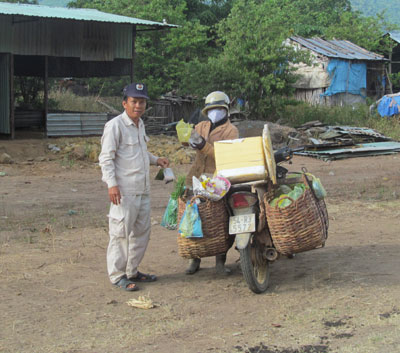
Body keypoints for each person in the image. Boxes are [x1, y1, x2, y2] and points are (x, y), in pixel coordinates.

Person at [99, 83, 169, 291]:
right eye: (134, 101)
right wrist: (111, 185)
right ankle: (117, 275)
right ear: (125, 103)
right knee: (120, 233)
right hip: (124, 191)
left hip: (143, 189)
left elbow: (139, 153)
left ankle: (132, 271)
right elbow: (106, 159)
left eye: (142, 102)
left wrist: (156, 160)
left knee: (141, 233)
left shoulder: (140, 125)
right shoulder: (115, 126)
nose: (138, 105)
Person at [185, 91, 239, 275]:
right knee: (194, 217)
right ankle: (195, 258)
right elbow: (189, 141)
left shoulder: (231, 131)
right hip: (197, 176)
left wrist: (203, 146)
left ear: (226, 110)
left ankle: (220, 262)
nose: (215, 112)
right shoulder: (201, 126)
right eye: (211, 109)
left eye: (218, 109)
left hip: (218, 179)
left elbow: (226, 154)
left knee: (219, 220)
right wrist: (187, 139)